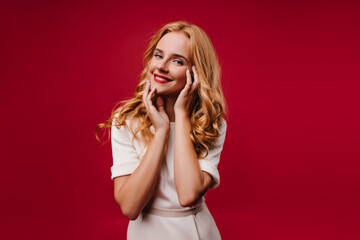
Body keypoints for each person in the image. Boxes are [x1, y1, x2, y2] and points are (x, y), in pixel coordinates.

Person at [96, 21, 227, 240]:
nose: (162, 66)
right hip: (145, 233)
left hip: (196, 232)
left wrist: (182, 116)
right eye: (158, 55)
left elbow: (187, 195)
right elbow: (129, 207)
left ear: (196, 72)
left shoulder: (211, 123)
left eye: (177, 60)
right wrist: (161, 131)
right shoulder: (126, 120)